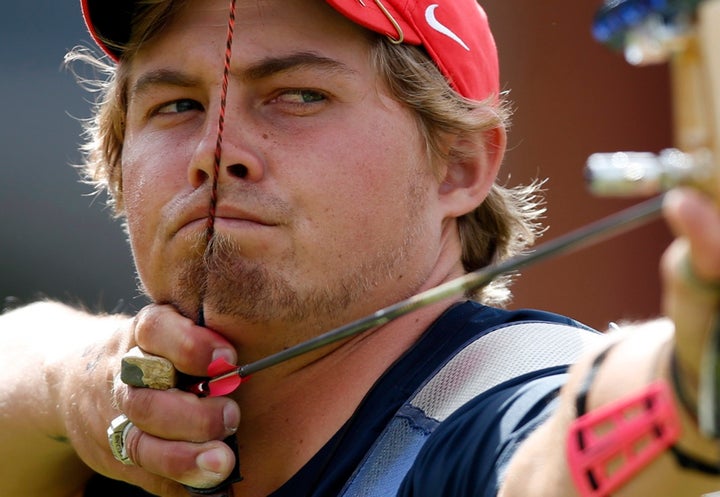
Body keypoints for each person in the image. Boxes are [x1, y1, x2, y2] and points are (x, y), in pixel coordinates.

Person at [1, 0, 719, 496]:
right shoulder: (113, 425)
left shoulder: (488, 402)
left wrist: (685, 385)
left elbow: (554, 456)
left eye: (298, 94)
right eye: (177, 105)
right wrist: (77, 389)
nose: (216, 154)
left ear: (459, 164)